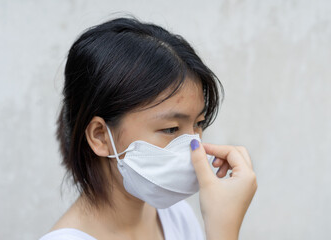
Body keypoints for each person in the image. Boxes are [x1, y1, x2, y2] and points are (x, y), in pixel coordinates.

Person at [39, 17, 257, 240]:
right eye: (171, 129)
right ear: (100, 136)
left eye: (198, 124)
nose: (194, 148)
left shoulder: (175, 216)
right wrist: (223, 231)